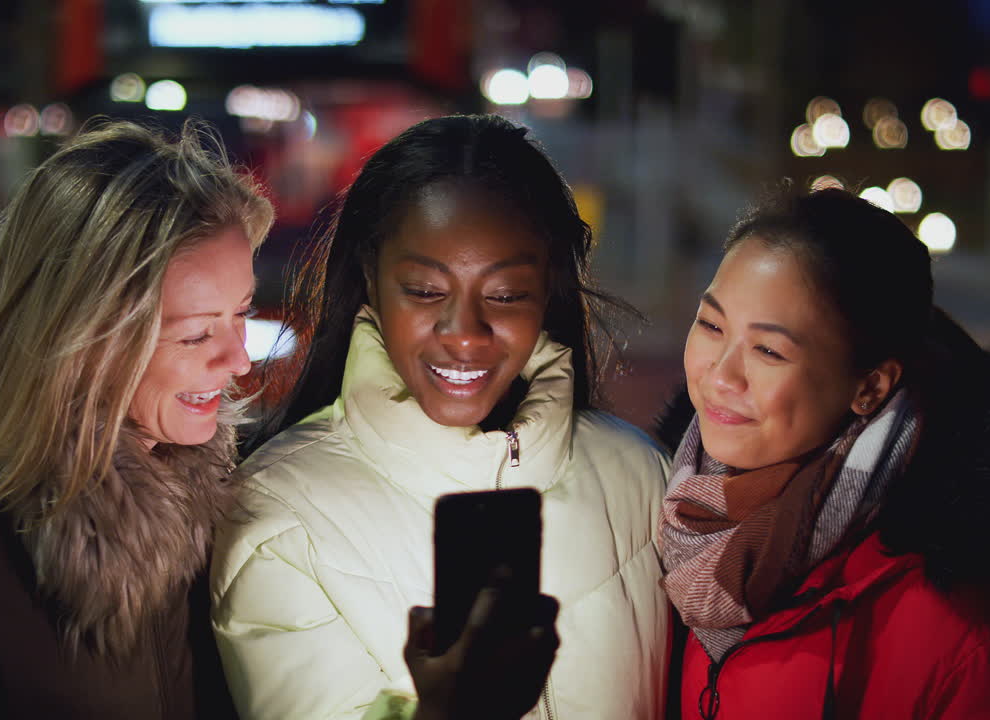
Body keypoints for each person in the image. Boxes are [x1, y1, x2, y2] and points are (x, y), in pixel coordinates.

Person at [211, 114, 670, 720]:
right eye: (426, 291)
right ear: (370, 276)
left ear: (550, 289)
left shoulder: (642, 476)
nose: (464, 335)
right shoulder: (278, 514)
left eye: (505, 295)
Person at [0, 120, 272, 718]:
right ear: (83, 338)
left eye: (241, 314)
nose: (239, 360)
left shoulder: (238, 509)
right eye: (196, 333)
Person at [655, 186, 990, 719]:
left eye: (769, 351)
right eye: (711, 325)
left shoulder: (970, 638)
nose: (721, 376)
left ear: (869, 386)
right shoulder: (668, 519)